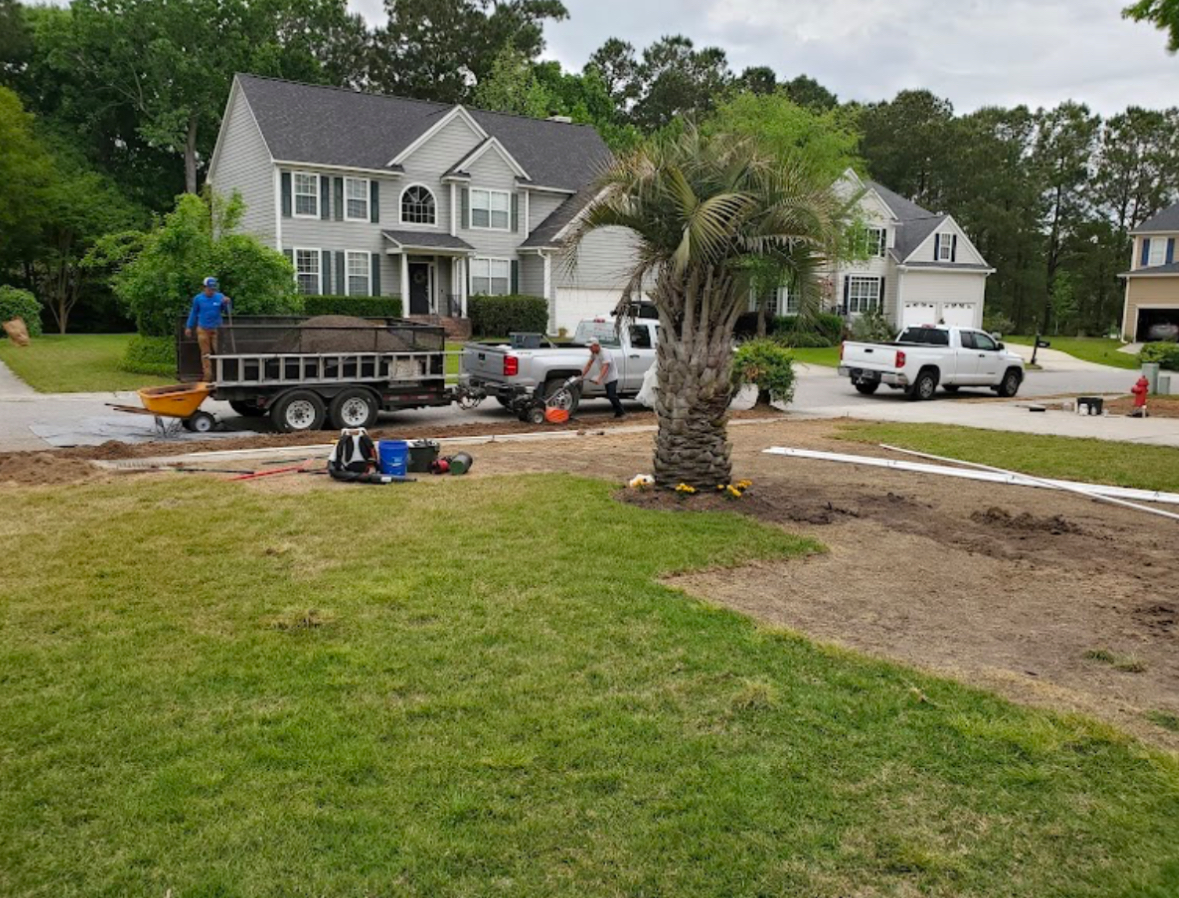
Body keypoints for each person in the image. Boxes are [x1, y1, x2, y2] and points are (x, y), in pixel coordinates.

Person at [185, 277, 232, 382]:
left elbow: (227, 311)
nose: (211, 291)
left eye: (213, 289)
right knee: (205, 353)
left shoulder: (220, 297)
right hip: (202, 328)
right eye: (209, 289)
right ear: (204, 287)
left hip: (217, 329)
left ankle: (221, 375)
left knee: (219, 351)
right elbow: (194, 313)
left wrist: (227, 302)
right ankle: (208, 376)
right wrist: (189, 326)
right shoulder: (198, 299)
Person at [582, 339, 625, 418]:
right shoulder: (594, 354)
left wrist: (599, 378)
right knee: (610, 395)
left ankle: (621, 412)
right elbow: (589, 364)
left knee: (612, 395)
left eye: (591, 347)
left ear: (596, 345)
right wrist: (582, 375)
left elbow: (606, 366)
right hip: (605, 378)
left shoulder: (605, 353)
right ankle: (618, 413)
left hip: (612, 377)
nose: (590, 349)